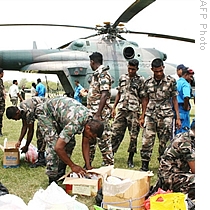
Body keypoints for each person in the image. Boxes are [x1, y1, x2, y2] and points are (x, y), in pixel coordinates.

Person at [139, 58, 181, 171]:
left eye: (160, 71)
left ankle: (163, 165)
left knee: (164, 142)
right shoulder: (147, 82)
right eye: (156, 71)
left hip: (166, 115)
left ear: (163, 68)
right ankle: (144, 165)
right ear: (152, 69)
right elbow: (145, 100)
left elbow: (175, 99)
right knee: (146, 141)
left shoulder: (170, 81)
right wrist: (142, 116)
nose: (158, 73)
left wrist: (178, 117)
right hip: (150, 115)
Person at [111, 59, 145, 168]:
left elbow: (143, 98)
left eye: (133, 69)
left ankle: (130, 158)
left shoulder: (140, 80)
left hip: (134, 111)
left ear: (137, 69)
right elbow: (119, 93)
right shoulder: (123, 78)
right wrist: (114, 107)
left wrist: (142, 115)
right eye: (129, 68)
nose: (131, 71)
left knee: (133, 136)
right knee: (115, 133)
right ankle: (110, 156)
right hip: (122, 109)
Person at [87, 52, 114, 167]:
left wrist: (98, 114)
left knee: (104, 139)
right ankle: (88, 164)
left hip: (99, 115)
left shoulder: (103, 75)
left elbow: (104, 94)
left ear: (92, 62)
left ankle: (108, 164)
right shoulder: (97, 75)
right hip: (93, 113)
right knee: (90, 139)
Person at [6, 97, 48, 168]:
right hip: (42, 111)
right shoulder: (21, 109)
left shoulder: (28, 112)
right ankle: (42, 157)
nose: (16, 120)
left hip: (48, 111)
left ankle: (41, 159)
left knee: (40, 133)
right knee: (40, 132)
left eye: (14, 118)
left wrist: (26, 146)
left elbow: (30, 130)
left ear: (17, 112)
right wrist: (19, 141)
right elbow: (24, 126)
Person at [158, 120, 195, 200]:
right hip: (169, 178)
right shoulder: (186, 142)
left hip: (176, 174)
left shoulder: (187, 136)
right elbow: (195, 169)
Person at [175, 68, 194, 135]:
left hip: (175, 109)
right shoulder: (185, 84)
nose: (191, 79)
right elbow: (186, 97)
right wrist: (186, 106)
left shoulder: (176, 82)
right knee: (184, 133)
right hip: (183, 109)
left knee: (176, 132)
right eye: (190, 76)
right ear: (186, 75)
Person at [0, 68, 6, 136]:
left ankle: (0, 131)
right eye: (2, 73)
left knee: (0, 116)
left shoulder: (1, 81)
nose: (3, 74)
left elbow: (3, 88)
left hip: (1, 102)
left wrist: (4, 93)